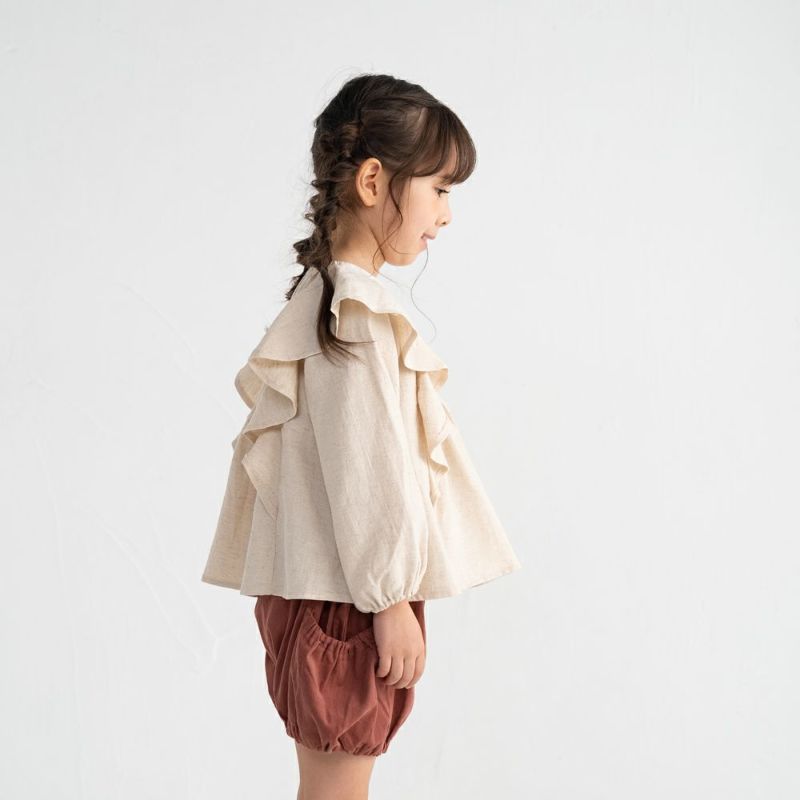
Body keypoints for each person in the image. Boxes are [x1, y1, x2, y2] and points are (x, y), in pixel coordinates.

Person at [201, 73, 522, 800]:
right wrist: (390, 601)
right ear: (374, 181)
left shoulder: (322, 301)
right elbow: (367, 471)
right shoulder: (357, 317)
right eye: (440, 189)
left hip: (328, 590)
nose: (446, 214)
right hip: (349, 599)